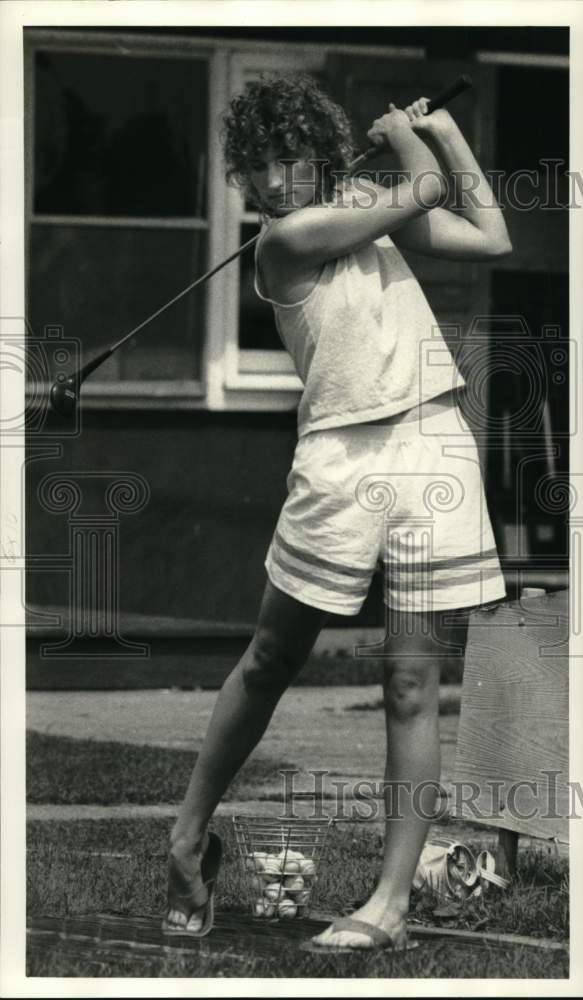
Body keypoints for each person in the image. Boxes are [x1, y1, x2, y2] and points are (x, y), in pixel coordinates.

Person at [163, 73, 511, 951]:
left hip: (431, 438)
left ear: (318, 152)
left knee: (409, 679)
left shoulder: (361, 203)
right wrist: (407, 135)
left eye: (288, 160)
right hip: (339, 455)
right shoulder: (286, 238)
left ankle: (388, 905)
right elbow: (425, 188)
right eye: (256, 168)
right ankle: (184, 835)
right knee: (273, 653)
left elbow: (489, 234)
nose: (274, 181)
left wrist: (440, 129)